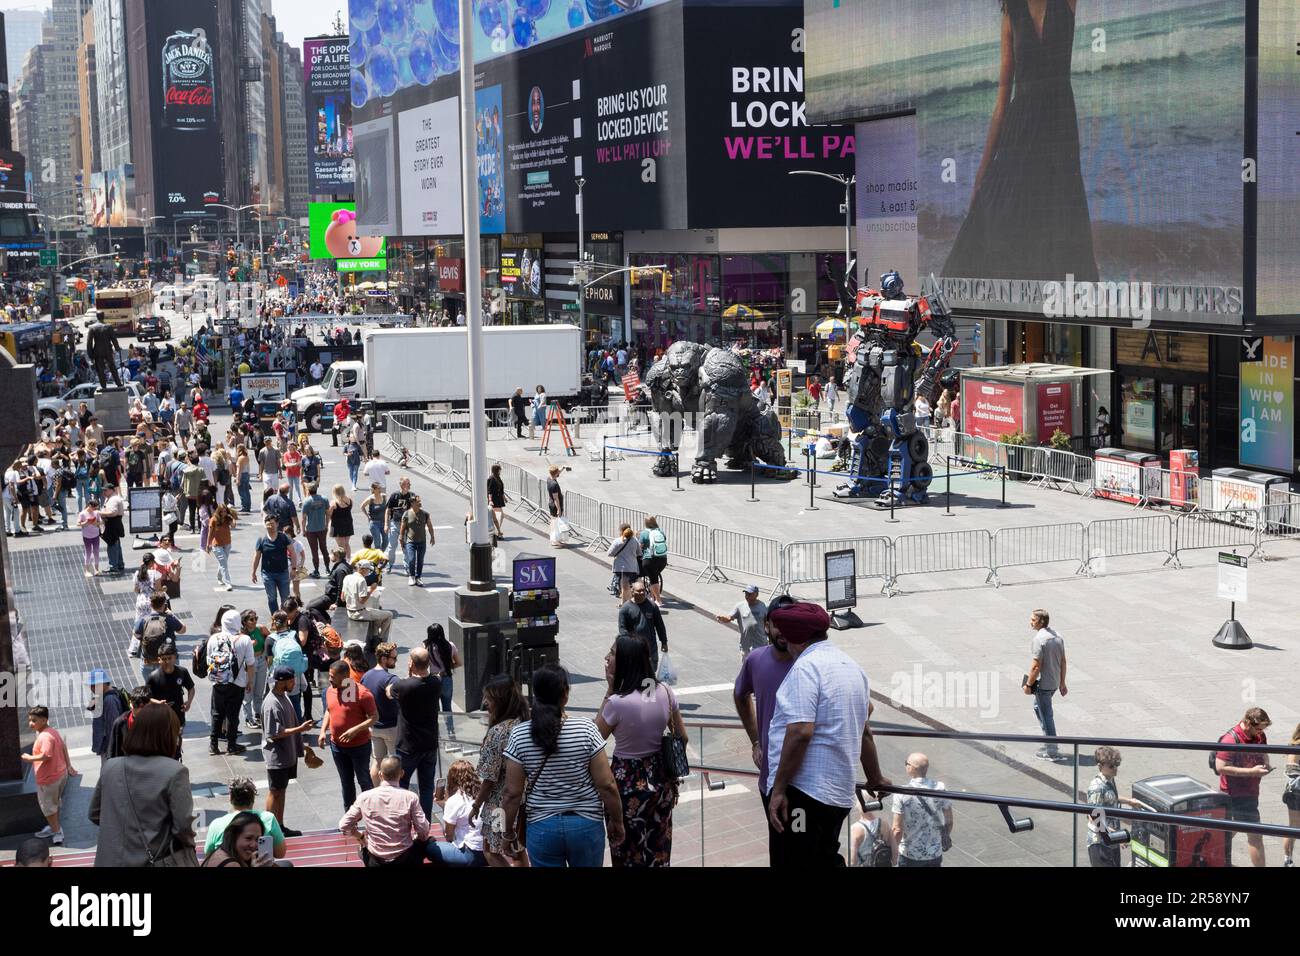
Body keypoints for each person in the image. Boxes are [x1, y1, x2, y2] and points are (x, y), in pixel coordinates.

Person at [941, 0, 1097, 283]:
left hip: (1059, 129)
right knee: (997, 213)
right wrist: (982, 170)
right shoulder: (1012, 13)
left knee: (1060, 217)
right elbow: (1002, 102)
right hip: (1020, 129)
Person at [764, 601, 887, 868]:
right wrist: (874, 776)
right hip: (838, 795)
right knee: (823, 856)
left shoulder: (805, 669)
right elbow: (864, 730)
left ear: (791, 638)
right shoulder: (852, 667)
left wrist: (779, 790)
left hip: (803, 794)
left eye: (780, 634)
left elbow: (800, 732)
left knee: (793, 859)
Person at [500, 665, 624, 868]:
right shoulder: (586, 729)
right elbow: (606, 784)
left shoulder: (519, 735)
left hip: (542, 828)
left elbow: (511, 793)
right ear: (565, 695)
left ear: (535, 694)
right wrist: (617, 821)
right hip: (585, 825)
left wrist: (507, 832)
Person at [595, 636, 686, 867]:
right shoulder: (665, 692)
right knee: (658, 851)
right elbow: (682, 737)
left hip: (627, 784)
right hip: (661, 781)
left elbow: (594, 738)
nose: (607, 658)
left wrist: (609, 689)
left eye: (613, 653)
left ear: (626, 661)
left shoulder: (617, 702)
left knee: (627, 853)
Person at [90, 703, 198, 867]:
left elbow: (94, 814)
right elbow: (182, 827)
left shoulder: (111, 767)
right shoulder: (175, 771)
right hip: (152, 860)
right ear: (169, 736)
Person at [733, 597, 796, 865]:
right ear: (767, 626)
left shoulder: (808, 661)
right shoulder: (755, 660)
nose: (782, 631)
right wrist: (755, 740)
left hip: (806, 779)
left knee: (804, 846)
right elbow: (740, 694)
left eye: (788, 624)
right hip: (771, 778)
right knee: (781, 848)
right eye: (776, 624)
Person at [472, 675, 531, 867]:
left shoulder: (498, 732)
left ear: (499, 701)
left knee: (490, 851)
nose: (484, 703)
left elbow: (489, 779)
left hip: (500, 807)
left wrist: (475, 805)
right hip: (526, 801)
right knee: (517, 850)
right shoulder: (525, 723)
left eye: (488, 698)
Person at [339, 755, 430, 867]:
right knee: (429, 842)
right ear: (401, 773)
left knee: (360, 849)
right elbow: (423, 829)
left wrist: (360, 836)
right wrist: (418, 838)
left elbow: (343, 825)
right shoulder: (410, 797)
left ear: (380, 774)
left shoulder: (365, 797)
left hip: (375, 861)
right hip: (405, 859)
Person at [387, 646, 442, 819]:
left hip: (408, 746)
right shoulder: (436, 683)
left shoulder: (403, 686)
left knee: (401, 783)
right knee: (426, 787)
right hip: (429, 744)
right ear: (429, 663)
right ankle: (424, 822)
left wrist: (406, 676)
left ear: (411, 663)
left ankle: (403, 818)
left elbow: (388, 692)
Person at [1216, 707, 1273, 867]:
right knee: (1250, 836)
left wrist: (1266, 763)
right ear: (1247, 723)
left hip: (1251, 793)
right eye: (1258, 728)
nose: (1261, 732)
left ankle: (1214, 857)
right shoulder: (1230, 739)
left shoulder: (1260, 735)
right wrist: (1251, 772)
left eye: (1263, 728)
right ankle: (1213, 858)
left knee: (1234, 833)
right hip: (1233, 795)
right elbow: (1220, 767)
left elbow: (1264, 752)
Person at [261, 666, 315, 837]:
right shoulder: (271, 704)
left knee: (281, 790)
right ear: (281, 682)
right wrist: (300, 728)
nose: (294, 683)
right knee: (275, 791)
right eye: (291, 680)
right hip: (277, 757)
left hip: (287, 754)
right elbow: (275, 733)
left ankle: (280, 826)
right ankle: (268, 830)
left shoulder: (283, 696)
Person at [319, 659, 378, 811]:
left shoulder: (363, 694)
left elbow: (374, 717)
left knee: (364, 781)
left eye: (333, 676)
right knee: (346, 782)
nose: (329, 679)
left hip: (359, 747)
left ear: (345, 676)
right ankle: (349, 817)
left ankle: (372, 814)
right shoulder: (330, 691)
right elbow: (328, 710)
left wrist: (355, 730)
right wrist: (322, 731)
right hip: (337, 747)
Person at [205, 609, 256, 756]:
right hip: (237, 683)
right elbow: (250, 664)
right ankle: (231, 745)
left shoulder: (213, 638)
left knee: (216, 714)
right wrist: (250, 681)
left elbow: (209, 659)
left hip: (218, 681)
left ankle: (213, 745)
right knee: (233, 715)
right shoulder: (244, 640)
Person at [23, 706, 76, 845]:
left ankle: (57, 832)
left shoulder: (45, 736)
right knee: (54, 804)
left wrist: (29, 759)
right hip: (59, 775)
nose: (30, 723)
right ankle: (54, 827)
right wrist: (68, 765)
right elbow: (63, 746)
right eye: (29, 720)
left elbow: (46, 755)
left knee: (48, 808)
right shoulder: (52, 731)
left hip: (49, 780)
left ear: (44, 720)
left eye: (34, 720)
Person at [891, 753, 954, 867]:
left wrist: (892, 852)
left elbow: (897, 829)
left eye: (907, 763)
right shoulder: (940, 787)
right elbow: (949, 821)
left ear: (911, 768)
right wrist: (941, 839)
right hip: (934, 853)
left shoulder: (901, 794)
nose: (906, 765)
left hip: (910, 854)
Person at [204, 776, 288, 860]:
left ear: (230, 798)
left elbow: (208, 856)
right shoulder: (268, 818)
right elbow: (280, 853)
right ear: (253, 799)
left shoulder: (216, 824)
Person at [1086, 746, 1142, 867]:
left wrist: (1129, 801)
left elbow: (1111, 798)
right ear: (1100, 767)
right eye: (1111, 766)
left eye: (1116, 764)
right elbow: (1093, 817)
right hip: (1100, 843)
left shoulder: (1110, 780)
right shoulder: (1097, 787)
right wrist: (1116, 835)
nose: (1115, 768)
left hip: (1111, 840)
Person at [426, 760, 487, 866]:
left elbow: (449, 836)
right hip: (489, 853)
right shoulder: (484, 795)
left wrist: (447, 805)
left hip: (470, 854)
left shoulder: (454, 800)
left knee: (430, 848)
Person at [1025, 608, 1067, 760]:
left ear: (1041, 621)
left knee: (1047, 715)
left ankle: (1052, 750)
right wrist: (1062, 682)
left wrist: (1028, 685)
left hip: (1044, 684)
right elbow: (1063, 661)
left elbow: (1036, 667)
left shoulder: (1039, 640)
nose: (1030, 622)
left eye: (1033, 620)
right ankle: (1049, 742)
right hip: (1054, 681)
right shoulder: (1057, 637)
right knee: (1038, 707)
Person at [145, 642, 195, 757]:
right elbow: (147, 697)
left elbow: (191, 688)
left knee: (177, 739)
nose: (167, 662)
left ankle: (177, 756)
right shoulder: (153, 677)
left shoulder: (182, 672)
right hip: (160, 717)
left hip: (178, 715)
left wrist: (189, 702)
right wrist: (158, 703)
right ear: (159, 660)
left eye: (169, 658)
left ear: (175, 657)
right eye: (164, 659)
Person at [362, 642, 400, 787]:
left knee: (377, 762)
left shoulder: (366, 676)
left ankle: (376, 791)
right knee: (396, 763)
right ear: (384, 659)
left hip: (374, 727)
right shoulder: (392, 679)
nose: (395, 661)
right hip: (391, 728)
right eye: (393, 658)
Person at [618, 581, 668, 673]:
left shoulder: (652, 606)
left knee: (651, 674)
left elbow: (660, 625)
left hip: (650, 648)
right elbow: (622, 629)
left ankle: (650, 686)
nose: (642, 592)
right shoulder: (625, 608)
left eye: (643, 590)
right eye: (639, 591)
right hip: (634, 650)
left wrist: (664, 641)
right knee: (636, 674)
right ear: (632, 591)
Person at [343, 559, 394, 642]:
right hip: (359, 613)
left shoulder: (347, 577)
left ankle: (375, 635)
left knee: (376, 612)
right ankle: (380, 639)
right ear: (363, 569)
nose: (369, 572)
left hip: (349, 611)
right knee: (389, 614)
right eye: (368, 570)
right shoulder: (361, 580)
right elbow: (362, 600)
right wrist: (371, 590)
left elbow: (343, 597)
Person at [202, 811, 275, 868]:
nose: (254, 845)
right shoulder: (231, 865)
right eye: (248, 838)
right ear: (233, 836)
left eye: (258, 839)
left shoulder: (222, 851)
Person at [424, 623, 460, 736]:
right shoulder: (450, 645)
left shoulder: (427, 648)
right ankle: (450, 731)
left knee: (435, 708)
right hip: (447, 679)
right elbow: (459, 663)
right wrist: (446, 669)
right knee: (447, 707)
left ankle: (437, 733)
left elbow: (423, 665)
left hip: (433, 680)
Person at [252, 516, 293, 614]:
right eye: (268, 524)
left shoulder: (284, 537)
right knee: (272, 598)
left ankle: (284, 618)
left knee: (285, 598)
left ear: (277, 524)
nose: (270, 526)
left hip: (283, 573)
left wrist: (294, 568)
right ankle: (276, 618)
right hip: (268, 574)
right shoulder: (261, 540)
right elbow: (257, 556)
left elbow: (293, 552)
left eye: (272, 524)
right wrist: (253, 572)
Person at [87, 669, 128, 767]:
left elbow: (112, 727)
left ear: (104, 683)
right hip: (109, 746)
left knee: (108, 775)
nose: (92, 688)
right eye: (91, 685)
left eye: (96, 685)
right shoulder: (106, 693)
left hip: (109, 747)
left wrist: (112, 750)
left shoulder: (109, 700)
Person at [718, 585, 770, 659]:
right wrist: (723, 618)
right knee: (746, 669)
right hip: (746, 646)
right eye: (746, 594)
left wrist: (771, 640)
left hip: (760, 645)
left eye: (750, 594)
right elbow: (729, 617)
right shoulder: (739, 606)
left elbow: (767, 624)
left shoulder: (763, 606)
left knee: (759, 668)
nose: (747, 596)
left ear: (757, 594)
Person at [399, 493, 435, 586]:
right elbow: (402, 528)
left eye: (420, 501)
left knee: (420, 560)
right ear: (412, 503)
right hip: (410, 542)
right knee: (411, 559)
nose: (420, 503)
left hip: (422, 541)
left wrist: (432, 536)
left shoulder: (425, 514)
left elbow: (430, 526)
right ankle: (411, 576)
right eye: (418, 501)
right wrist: (401, 538)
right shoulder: (406, 514)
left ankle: (418, 577)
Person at [384, 477, 414, 572]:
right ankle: (390, 564)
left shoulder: (412, 496)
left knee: (406, 546)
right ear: (402, 485)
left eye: (409, 483)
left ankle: (407, 566)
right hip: (395, 523)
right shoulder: (394, 495)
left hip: (407, 525)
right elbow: (388, 510)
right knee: (392, 546)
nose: (409, 485)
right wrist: (386, 524)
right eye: (407, 483)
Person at [638, 516, 669, 605]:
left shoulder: (644, 533)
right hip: (662, 559)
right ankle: (652, 596)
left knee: (653, 579)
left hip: (649, 559)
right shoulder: (660, 531)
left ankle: (658, 600)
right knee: (654, 577)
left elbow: (640, 546)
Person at [607, 524, 641, 604]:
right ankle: (630, 602)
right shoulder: (635, 541)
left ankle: (625, 603)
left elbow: (609, 553)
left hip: (620, 567)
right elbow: (639, 553)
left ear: (621, 531)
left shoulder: (617, 541)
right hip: (632, 567)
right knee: (630, 586)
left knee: (623, 586)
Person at [1283, 723, 1300, 868]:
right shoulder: (1296, 746)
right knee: (1294, 827)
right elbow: (1291, 769)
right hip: (1296, 793)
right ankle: (1287, 859)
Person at [77, 497, 103, 576]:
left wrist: (95, 523)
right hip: (87, 536)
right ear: (89, 506)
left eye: (96, 507)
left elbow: (101, 522)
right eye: (94, 507)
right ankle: (86, 570)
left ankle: (96, 569)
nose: (95, 509)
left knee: (96, 552)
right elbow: (78, 524)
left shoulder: (96, 513)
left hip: (95, 535)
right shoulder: (82, 513)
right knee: (88, 552)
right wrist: (86, 522)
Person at [328, 483, 354, 555]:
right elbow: (349, 509)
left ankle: (342, 560)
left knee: (341, 545)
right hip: (348, 523)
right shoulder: (349, 500)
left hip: (337, 525)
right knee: (346, 544)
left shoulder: (333, 503)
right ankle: (348, 559)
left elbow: (329, 514)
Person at [363, 482, 387, 550]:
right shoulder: (371, 499)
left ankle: (380, 555)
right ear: (373, 489)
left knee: (386, 541)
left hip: (383, 522)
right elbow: (362, 506)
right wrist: (367, 516)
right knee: (377, 543)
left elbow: (387, 508)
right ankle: (378, 559)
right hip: (374, 523)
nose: (380, 490)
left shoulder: (384, 496)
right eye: (378, 488)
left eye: (380, 488)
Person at [546, 465, 565, 548]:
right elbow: (556, 498)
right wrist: (559, 509)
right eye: (558, 472)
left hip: (551, 504)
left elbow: (555, 473)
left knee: (553, 522)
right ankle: (554, 540)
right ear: (556, 473)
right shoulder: (554, 484)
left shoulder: (549, 479)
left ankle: (555, 539)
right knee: (555, 523)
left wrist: (563, 468)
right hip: (555, 505)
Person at [487, 463, 507, 538]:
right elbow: (489, 491)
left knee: (499, 516)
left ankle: (497, 531)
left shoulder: (497, 477)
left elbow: (501, 489)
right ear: (497, 470)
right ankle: (497, 532)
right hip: (494, 499)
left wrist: (504, 497)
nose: (500, 471)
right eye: (499, 470)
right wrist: (490, 500)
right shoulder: (491, 478)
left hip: (498, 499)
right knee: (500, 515)